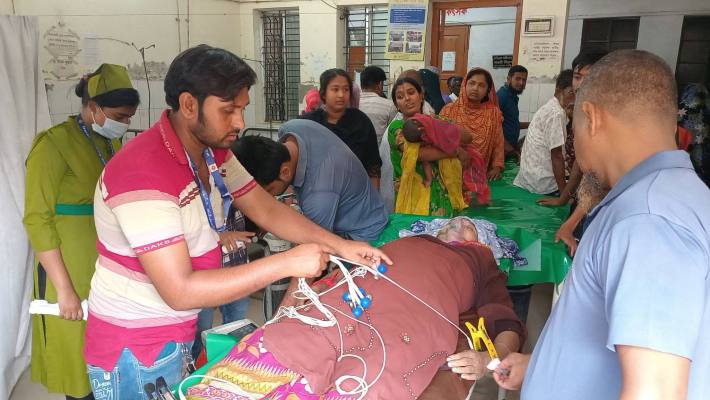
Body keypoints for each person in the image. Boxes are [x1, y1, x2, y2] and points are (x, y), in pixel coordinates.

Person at [83, 45, 390, 400]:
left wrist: (342, 246)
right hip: (137, 350)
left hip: (175, 332)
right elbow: (179, 290)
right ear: (189, 105)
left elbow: (267, 210)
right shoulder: (143, 173)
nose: (240, 122)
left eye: (242, 109)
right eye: (228, 110)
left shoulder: (213, 154)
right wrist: (286, 263)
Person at [492, 50, 710, 400]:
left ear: (591, 118)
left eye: (573, 127)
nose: (575, 144)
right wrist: (539, 366)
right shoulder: (671, 195)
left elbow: (655, 391)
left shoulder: (647, 221)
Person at [186, 224, 525, 400]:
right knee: (291, 342)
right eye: (453, 225)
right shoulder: (409, 241)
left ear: (482, 241)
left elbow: (506, 322)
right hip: (346, 302)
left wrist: (488, 359)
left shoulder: (479, 261)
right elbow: (318, 285)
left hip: (410, 321)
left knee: (371, 376)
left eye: (471, 229)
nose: (460, 226)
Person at [22, 64, 139, 400]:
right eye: (119, 116)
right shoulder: (53, 144)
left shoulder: (110, 142)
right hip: (68, 265)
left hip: (106, 264)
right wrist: (64, 290)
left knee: (109, 354)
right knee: (76, 356)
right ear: (93, 107)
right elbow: (37, 219)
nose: (124, 123)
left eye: (128, 117)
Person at [233, 119, 388, 242]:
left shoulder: (318, 194)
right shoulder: (292, 128)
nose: (268, 197)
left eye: (269, 191)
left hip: (363, 232)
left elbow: (316, 248)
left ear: (285, 172)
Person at [537, 51, 608, 255]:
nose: (580, 84)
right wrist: (563, 197)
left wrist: (572, 221)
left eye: (590, 77)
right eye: (577, 77)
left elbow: (599, 176)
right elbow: (581, 161)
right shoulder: (580, 110)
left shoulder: (606, 116)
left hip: (606, 203)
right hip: (587, 198)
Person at [384, 77, 472, 216]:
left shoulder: (435, 120)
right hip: (413, 195)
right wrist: (455, 151)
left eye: (411, 93)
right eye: (400, 97)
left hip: (443, 192)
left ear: (421, 96)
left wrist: (436, 125)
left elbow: (467, 137)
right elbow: (419, 154)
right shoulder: (397, 128)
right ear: (397, 105)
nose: (407, 98)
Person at [300, 68, 381, 188]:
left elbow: (373, 165)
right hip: (316, 191)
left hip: (355, 191)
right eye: (335, 89)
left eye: (346, 89)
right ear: (323, 93)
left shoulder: (360, 122)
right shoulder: (309, 123)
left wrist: (374, 195)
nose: (341, 95)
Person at [400, 114, 491, 207]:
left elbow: (468, 138)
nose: (407, 99)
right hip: (443, 181)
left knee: (473, 173)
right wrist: (457, 151)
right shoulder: (400, 128)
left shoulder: (437, 123)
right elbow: (421, 156)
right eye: (422, 139)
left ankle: (477, 194)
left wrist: (455, 148)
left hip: (464, 156)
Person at [514, 69, 575, 195]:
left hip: (528, 179)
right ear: (558, 91)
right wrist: (564, 194)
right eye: (571, 93)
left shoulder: (550, 107)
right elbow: (557, 155)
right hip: (542, 184)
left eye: (578, 93)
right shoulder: (556, 113)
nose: (575, 99)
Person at [441, 67, 505, 180]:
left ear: (487, 90)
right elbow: (439, 139)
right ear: (464, 85)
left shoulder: (493, 113)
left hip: (480, 174)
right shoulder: (448, 110)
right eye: (472, 83)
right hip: (450, 172)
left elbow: (498, 141)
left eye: (481, 85)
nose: (475, 88)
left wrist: (497, 166)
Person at [358, 65, 398, 145]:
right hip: (379, 151)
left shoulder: (352, 104)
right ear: (380, 85)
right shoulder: (389, 106)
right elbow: (392, 132)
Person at [496, 65, 529, 154]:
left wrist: (532, 124)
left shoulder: (512, 96)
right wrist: (512, 151)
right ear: (509, 79)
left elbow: (512, 123)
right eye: (518, 79)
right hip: (502, 150)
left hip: (509, 148)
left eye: (524, 80)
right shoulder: (502, 96)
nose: (521, 83)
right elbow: (493, 129)